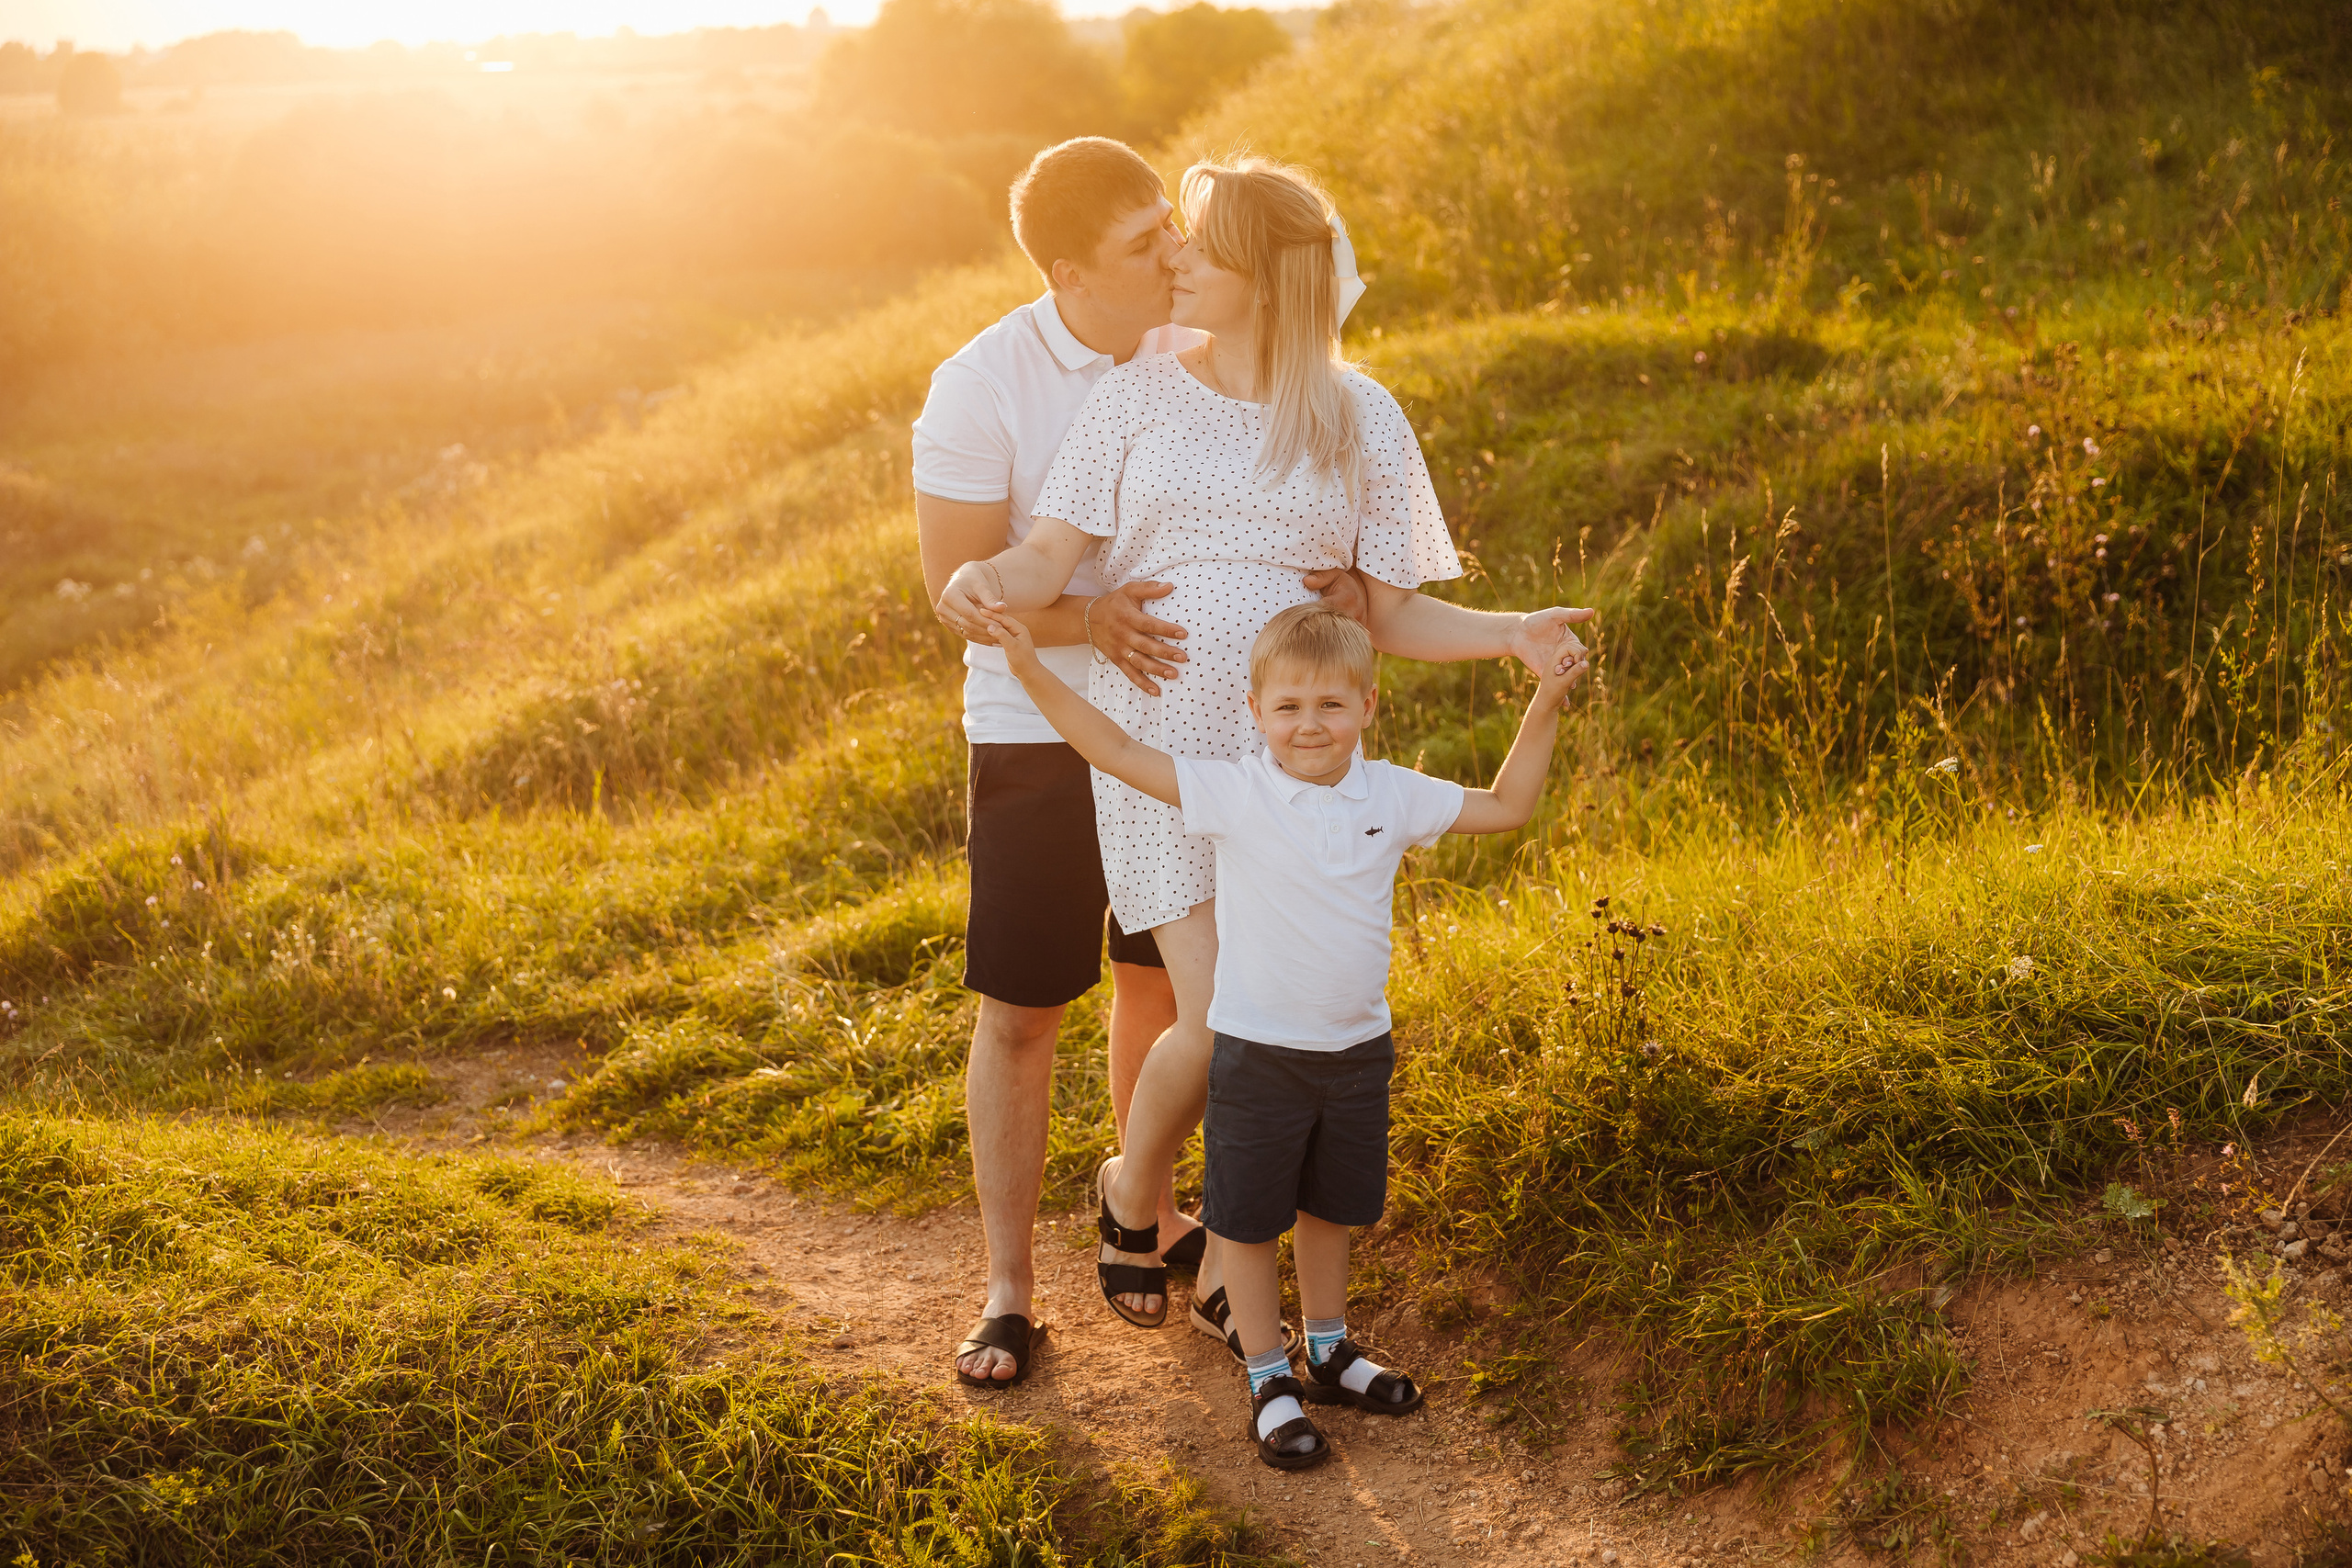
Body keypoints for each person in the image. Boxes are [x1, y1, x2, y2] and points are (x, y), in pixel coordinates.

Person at [934, 154, 1593, 1348]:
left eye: (1199, 247)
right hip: (1163, 750)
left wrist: (1511, 635)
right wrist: (982, 581)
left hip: (1295, 764)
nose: (1177, 259)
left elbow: (1389, 613)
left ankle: (1138, 1187)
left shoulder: (1362, 414)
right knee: (1231, 1015)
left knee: (1253, 1015)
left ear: (1265, 276)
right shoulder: (1133, 399)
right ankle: (1204, 1247)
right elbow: (1041, 560)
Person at [915, 137, 1367, 1387]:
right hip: (1039, 724)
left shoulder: (1202, 343)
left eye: (1174, 225)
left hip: (1194, 727)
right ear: (1069, 271)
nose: (1174, 251)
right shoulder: (980, 383)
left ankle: (1166, 1224)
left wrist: (1333, 576)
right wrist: (1084, 619)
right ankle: (1009, 1292)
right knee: (1023, 1009)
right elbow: (960, 585)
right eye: (1140, 243)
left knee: (1171, 996)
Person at [979, 599, 1588, 1468]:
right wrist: (1029, 665)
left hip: (1355, 1051)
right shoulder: (1238, 792)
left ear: (1369, 707)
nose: (1311, 726)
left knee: (1329, 1209)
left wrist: (1546, 700)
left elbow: (1509, 803)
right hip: (1258, 1056)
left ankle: (1330, 1349)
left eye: (1332, 705)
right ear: (1255, 713)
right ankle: (1270, 1376)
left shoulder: (1394, 794)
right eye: (1290, 708)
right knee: (1249, 1221)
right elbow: (1112, 749)